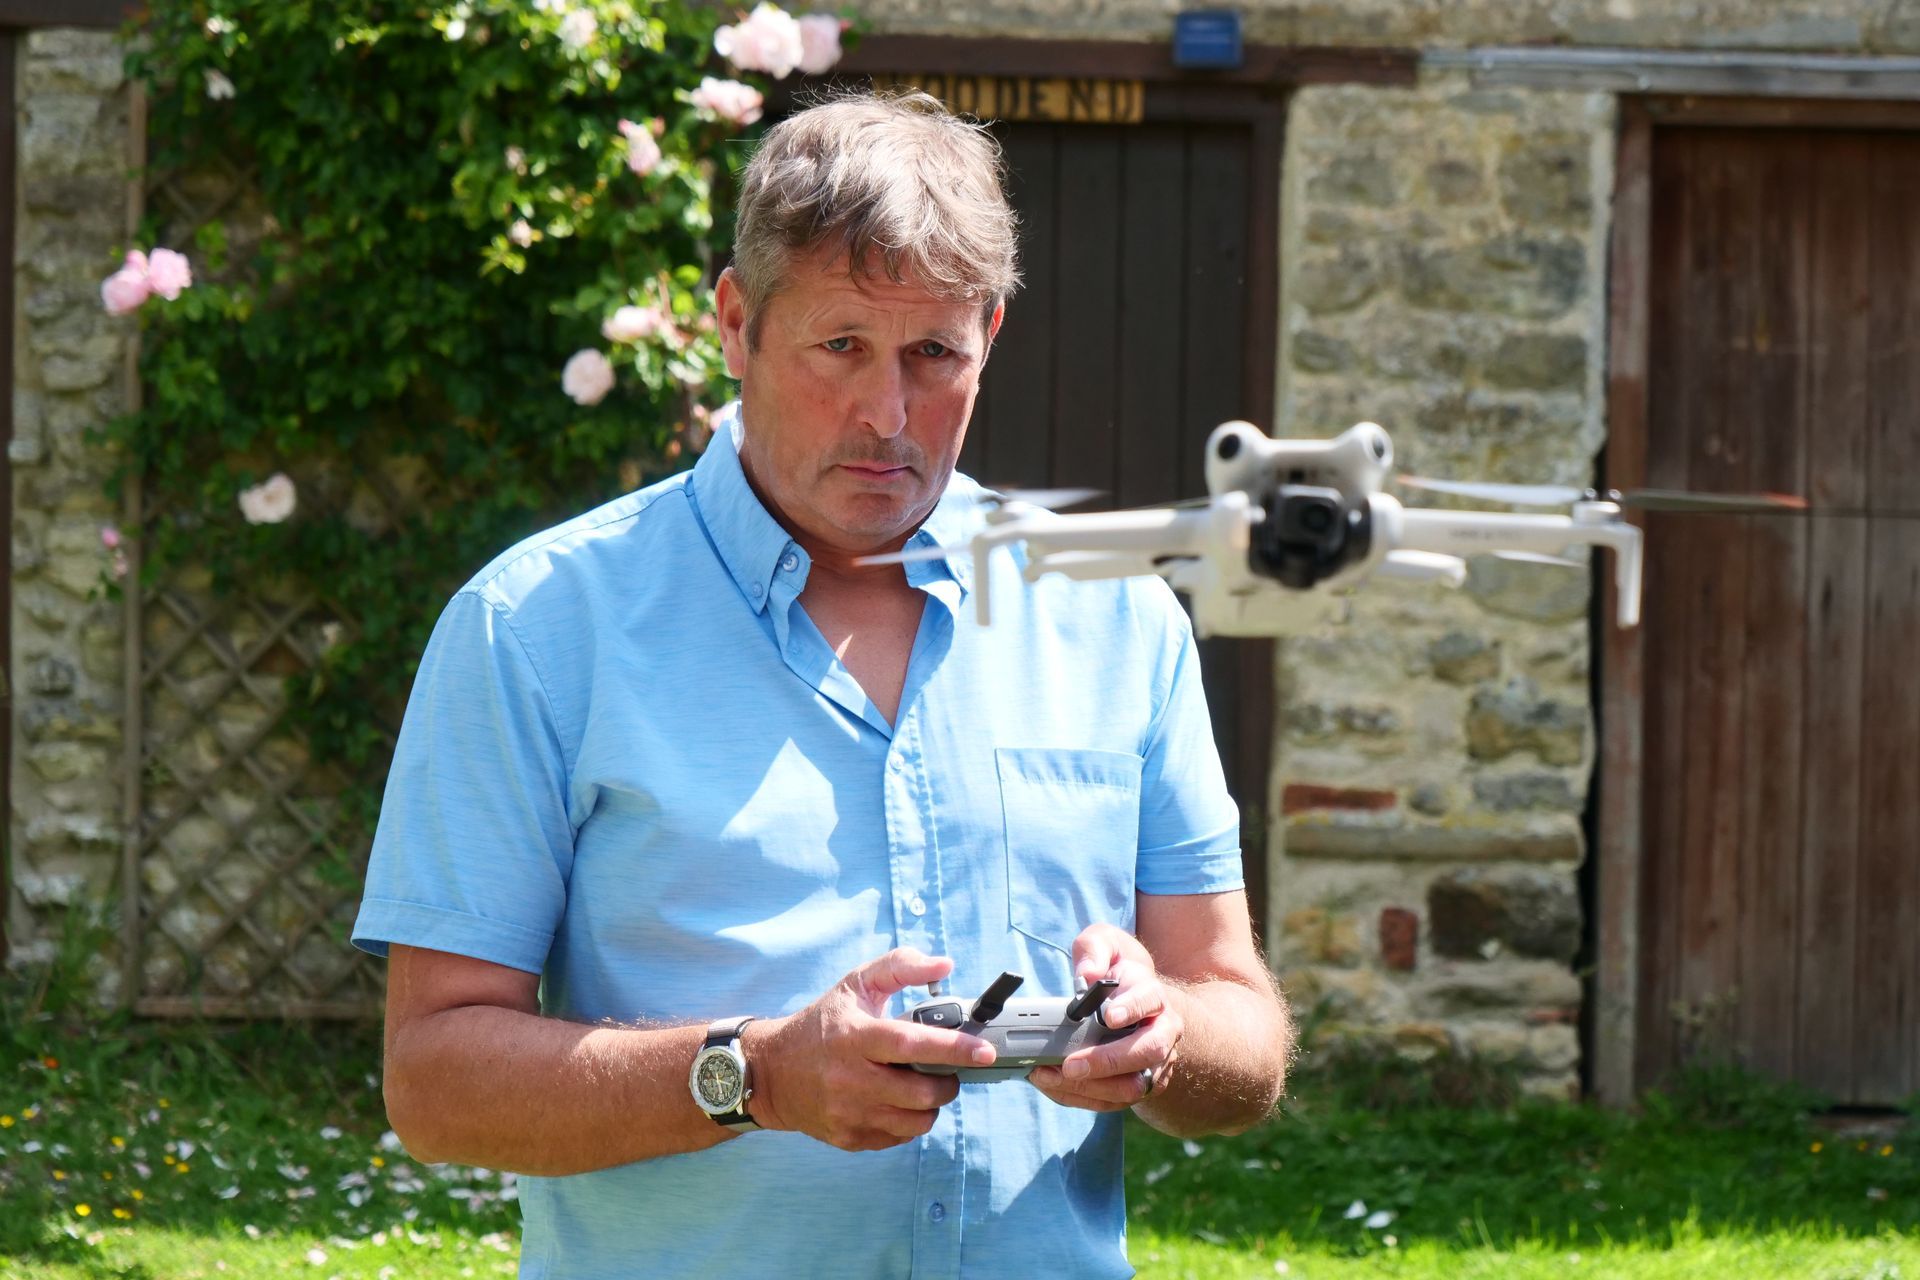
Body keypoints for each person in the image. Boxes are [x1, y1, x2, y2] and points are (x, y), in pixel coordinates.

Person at [353, 88, 1292, 1279]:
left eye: (933, 355)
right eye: (841, 346)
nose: (886, 415)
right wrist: (756, 1074)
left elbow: (1242, 1035)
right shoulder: (539, 625)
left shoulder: (1116, 617)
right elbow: (434, 1081)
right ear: (737, 323)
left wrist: (1162, 1033)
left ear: (990, 334)